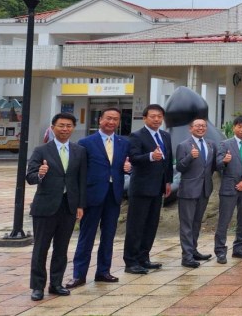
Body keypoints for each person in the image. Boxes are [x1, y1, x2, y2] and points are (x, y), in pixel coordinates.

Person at [26, 113, 87, 301]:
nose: (65, 129)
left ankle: (56, 283)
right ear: (53, 127)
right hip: (45, 207)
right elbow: (30, 177)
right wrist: (41, 174)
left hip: (68, 207)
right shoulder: (41, 150)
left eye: (69, 126)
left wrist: (80, 205)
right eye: (61, 125)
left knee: (61, 248)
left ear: (73, 128)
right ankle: (37, 287)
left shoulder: (79, 151)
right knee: (41, 248)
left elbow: (81, 180)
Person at [68, 108, 130, 288]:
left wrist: (129, 168)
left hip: (114, 195)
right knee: (86, 236)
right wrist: (80, 199)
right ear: (100, 119)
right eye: (108, 118)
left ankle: (103, 271)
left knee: (109, 235)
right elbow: (79, 171)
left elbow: (125, 165)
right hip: (92, 195)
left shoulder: (122, 142)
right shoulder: (86, 142)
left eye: (115, 119)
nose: (111, 122)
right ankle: (79, 275)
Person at [123, 104, 173, 274]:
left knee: (151, 225)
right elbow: (134, 158)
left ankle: (144, 258)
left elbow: (168, 161)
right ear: (145, 118)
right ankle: (131, 261)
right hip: (141, 188)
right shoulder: (136, 136)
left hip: (158, 187)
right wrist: (151, 156)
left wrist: (168, 182)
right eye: (153, 116)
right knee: (136, 226)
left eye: (159, 116)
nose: (156, 119)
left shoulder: (165, 136)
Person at [215, 116, 242, 263]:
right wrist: (224, 161)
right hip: (229, 188)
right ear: (234, 127)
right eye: (239, 126)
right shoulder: (224, 144)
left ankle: (238, 248)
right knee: (224, 220)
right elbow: (218, 165)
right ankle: (220, 251)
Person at [176, 118, 215, 268]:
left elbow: (210, 168)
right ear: (190, 128)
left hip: (204, 189)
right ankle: (186, 257)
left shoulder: (210, 144)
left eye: (203, 126)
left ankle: (193, 250)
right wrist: (189, 157)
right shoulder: (183, 145)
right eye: (197, 126)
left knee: (197, 222)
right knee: (187, 224)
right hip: (188, 190)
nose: (201, 128)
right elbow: (179, 167)